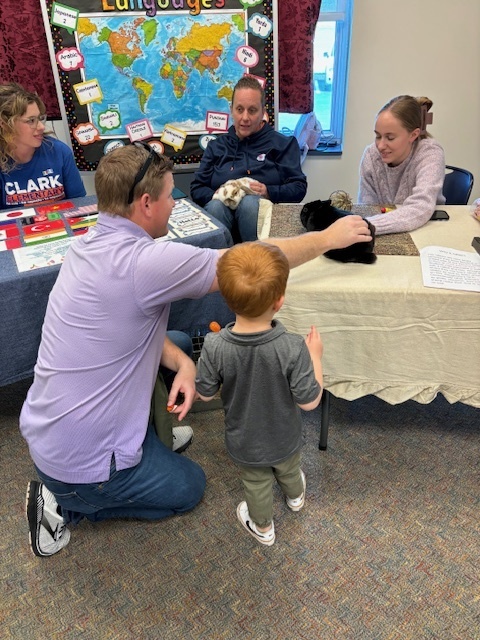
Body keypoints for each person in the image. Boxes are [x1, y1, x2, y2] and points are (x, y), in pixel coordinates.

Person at [20, 142, 371, 558]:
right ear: (146, 203)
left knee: (182, 344)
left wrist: (185, 363)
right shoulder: (146, 262)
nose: (174, 203)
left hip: (51, 430)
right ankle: (64, 507)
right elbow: (253, 261)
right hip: (83, 463)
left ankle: (143, 440)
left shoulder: (86, 244)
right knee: (189, 488)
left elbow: (127, 329)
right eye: (171, 195)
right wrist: (327, 238)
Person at [195, 242, 323, 546]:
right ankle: (295, 497)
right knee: (291, 468)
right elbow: (309, 401)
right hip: (286, 436)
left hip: (245, 440)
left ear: (226, 299)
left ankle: (263, 527)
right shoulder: (293, 346)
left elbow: (205, 391)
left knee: (256, 483)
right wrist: (315, 355)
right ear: (279, 302)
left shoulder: (215, 345)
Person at [190, 75, 307, 243]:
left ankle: (254, 263)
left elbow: (298, 188)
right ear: (231, 110)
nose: (245, 117)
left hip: (264, 226)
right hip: (222, 218)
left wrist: (268, 191)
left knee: (250, 204)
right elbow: (196, 188)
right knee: (215, 206)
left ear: (263, 111)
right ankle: (222, 264)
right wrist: (216, 194)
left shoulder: (282, 144)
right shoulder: (216, 146)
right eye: (239, 109)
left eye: (252, 110)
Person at [358, 94, 446, 235]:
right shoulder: (370, 155)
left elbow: (421, 206)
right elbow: (368, 206)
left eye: (390, 137)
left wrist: (368, 226)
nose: (380, 146)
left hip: (427, 229)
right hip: (385, 227)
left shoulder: (430, 153)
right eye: (378, 136)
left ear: (413, 135)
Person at [0, 82, 86, 209]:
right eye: (31, 121)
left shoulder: (60, 152)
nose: (41, 127)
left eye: (40, 118)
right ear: (5, 124)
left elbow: (80, 204)